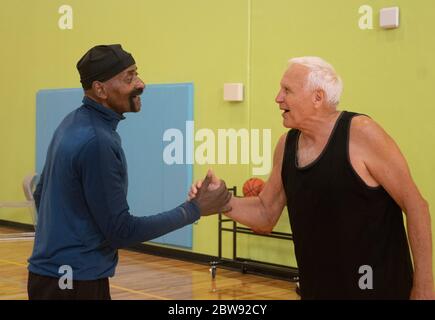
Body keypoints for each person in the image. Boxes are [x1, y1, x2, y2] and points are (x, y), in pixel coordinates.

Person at [189, 56, 435, 299]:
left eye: (287, 90)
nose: (278, 98)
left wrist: (424, 288)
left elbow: (416, 206)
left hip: (378, 289)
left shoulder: (362, 133)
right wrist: (223, 201)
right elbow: (265, 213)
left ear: (318, 97)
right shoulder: (286, 145)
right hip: (317, 289)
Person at [27, 44, 232, 300]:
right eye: (129, 77)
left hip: (53, 277)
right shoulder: (97, 141)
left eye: (136, 73)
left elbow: (40, 194)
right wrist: (194, 209)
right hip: (73, 282)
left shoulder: (73, 122)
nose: (141, 83)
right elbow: (122, 231)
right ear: (100, 89)